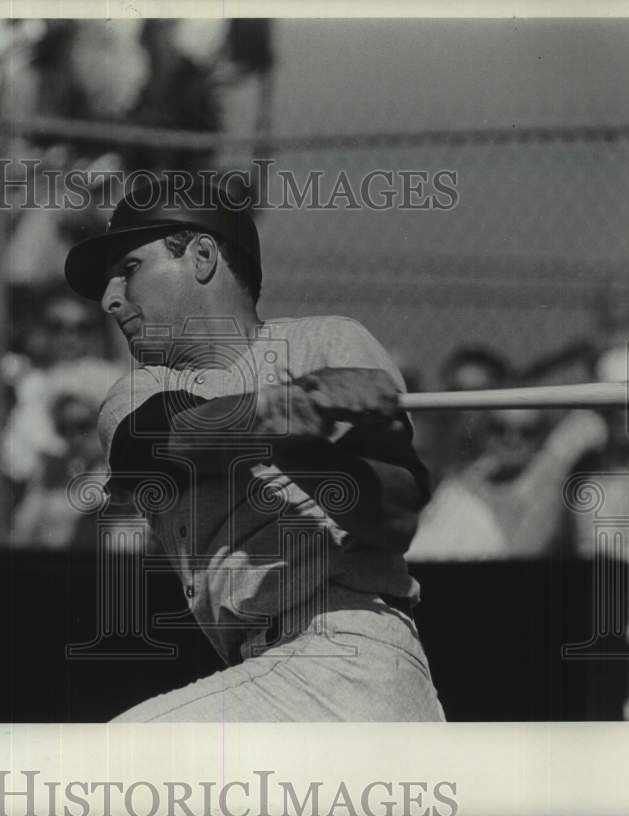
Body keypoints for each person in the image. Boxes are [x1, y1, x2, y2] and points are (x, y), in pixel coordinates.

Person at [64, 177, 443, 721]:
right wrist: (286, 412)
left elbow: (396, 518)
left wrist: (314, 447)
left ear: (201, 255)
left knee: (104, 769)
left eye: (128, 269)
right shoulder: (134, 393)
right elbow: (169, 439)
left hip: (350, 650)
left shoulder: (328, 343)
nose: (110, 300)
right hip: (271, 671)